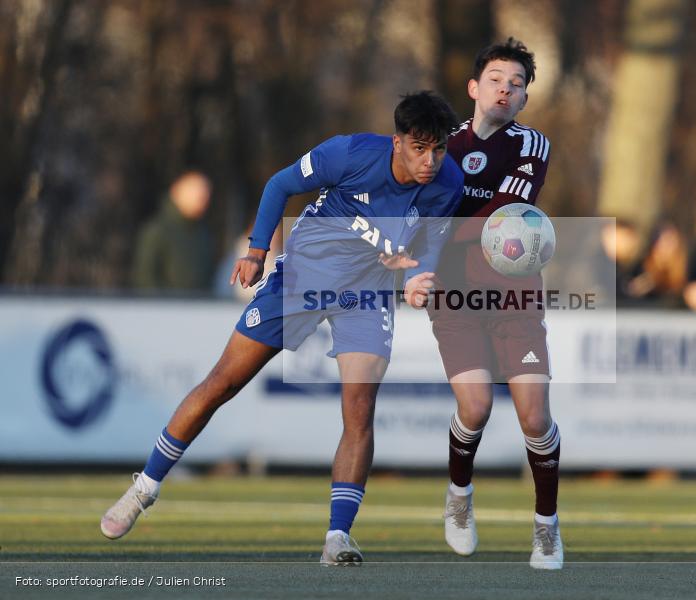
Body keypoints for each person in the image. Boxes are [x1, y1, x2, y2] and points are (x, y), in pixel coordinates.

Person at [100, 91, 464, 566]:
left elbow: (433, 241)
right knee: (222, 383)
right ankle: (143, 489)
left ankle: (338, 538)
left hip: (366, 293)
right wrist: (255, 251)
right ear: (397, 142)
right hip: (302, 278)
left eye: (438, 149)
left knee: (359, 408)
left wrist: (420, 274)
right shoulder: (350, 153)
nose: (431, 160)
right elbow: (279, 185)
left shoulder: (448, 182)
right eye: (420, 148)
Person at [428, 39, 563, 569]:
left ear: (525, 98)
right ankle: (459, 498)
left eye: (517, 83)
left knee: (534, 416)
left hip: (516, 294)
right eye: (496, 79)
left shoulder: (532, 143)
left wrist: (440, 231)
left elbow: (504, 216)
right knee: (476, 406)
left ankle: (546, 528)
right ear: (473, 87)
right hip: (455, 295)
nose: (506, 88)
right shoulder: (439, 144)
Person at [132, 171, 216, 293]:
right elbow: (144, 276)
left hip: (197, 309)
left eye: (206, 195)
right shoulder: (157, 230)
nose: (203, 200)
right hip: (164, 309)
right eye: (197, 193)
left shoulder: (203, 233)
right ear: (177, 192)